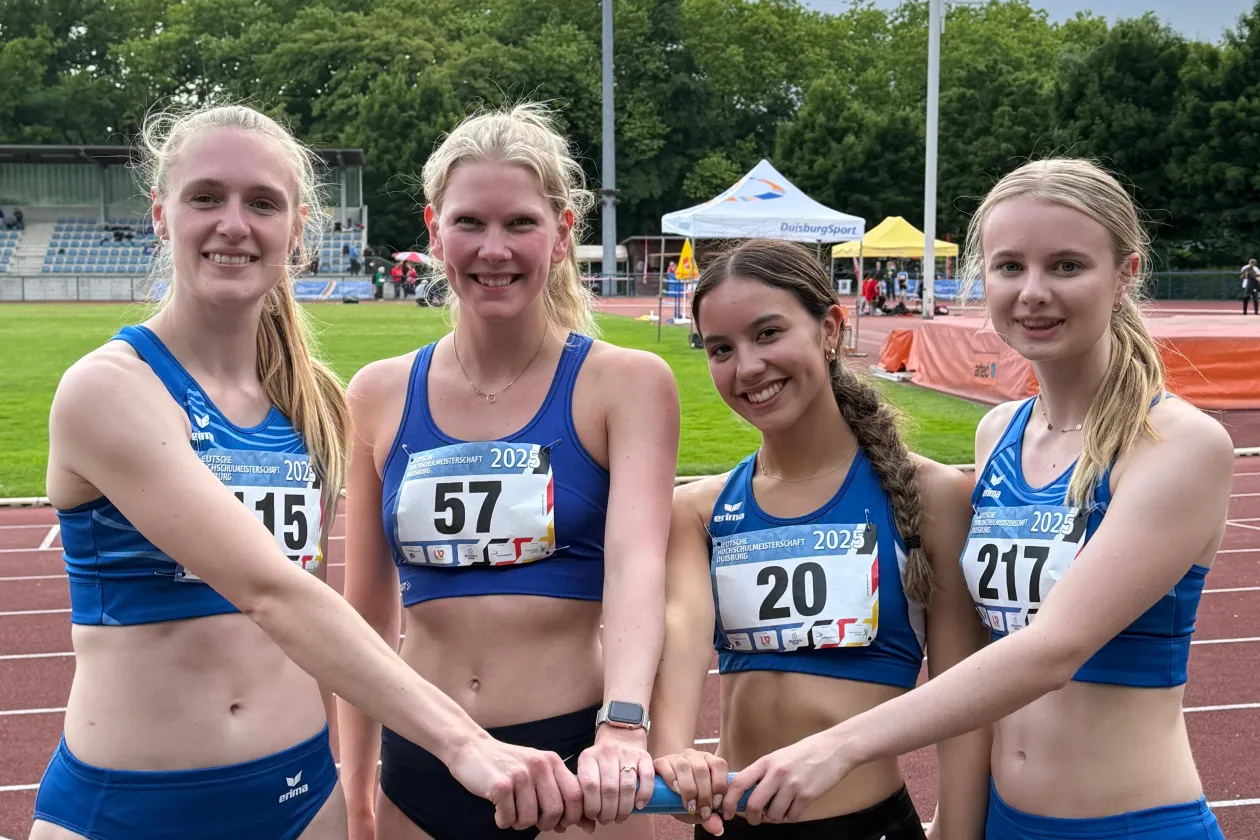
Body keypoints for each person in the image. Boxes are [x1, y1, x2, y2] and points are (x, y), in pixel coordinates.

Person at [31, 103, 588, 840]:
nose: (234, 223)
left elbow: (319, 622)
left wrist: (350, 779)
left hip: (301, 800)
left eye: (262, 203)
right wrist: (464, 743)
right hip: (132, 808)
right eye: (206, 198)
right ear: (162, 215)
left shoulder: (310, 401)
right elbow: (273, 592)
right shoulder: (110, 389)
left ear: (297, 231)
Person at [718, 159, 1233, 840]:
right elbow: (980, 647)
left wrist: (838, 744)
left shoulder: (1179, 444)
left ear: (1126, 274)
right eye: (1010, 266)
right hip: (1004, 824)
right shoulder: (1000, 436)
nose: (1033, 293)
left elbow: (1052, 650)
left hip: (1133, 824)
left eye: (1068, 266)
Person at [337, 102, 680, 840]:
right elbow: (363, 609)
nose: (494, 249)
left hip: (580, 770)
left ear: (560, 235)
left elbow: (636, 568)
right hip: (423, 763)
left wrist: (623, 726)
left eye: (520, 223)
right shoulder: (376, 393)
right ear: (434, 233)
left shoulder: (625, 384)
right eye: (470, 223)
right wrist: (356, 784)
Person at [648, 239, 990, 839]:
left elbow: (963, 700)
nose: (747, 367)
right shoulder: (697, 511)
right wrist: (673, 753)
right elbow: (680, 638)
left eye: (768, 334)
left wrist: (959, 832)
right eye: (721, 349)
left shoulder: (934, 496)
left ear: (830, 328)